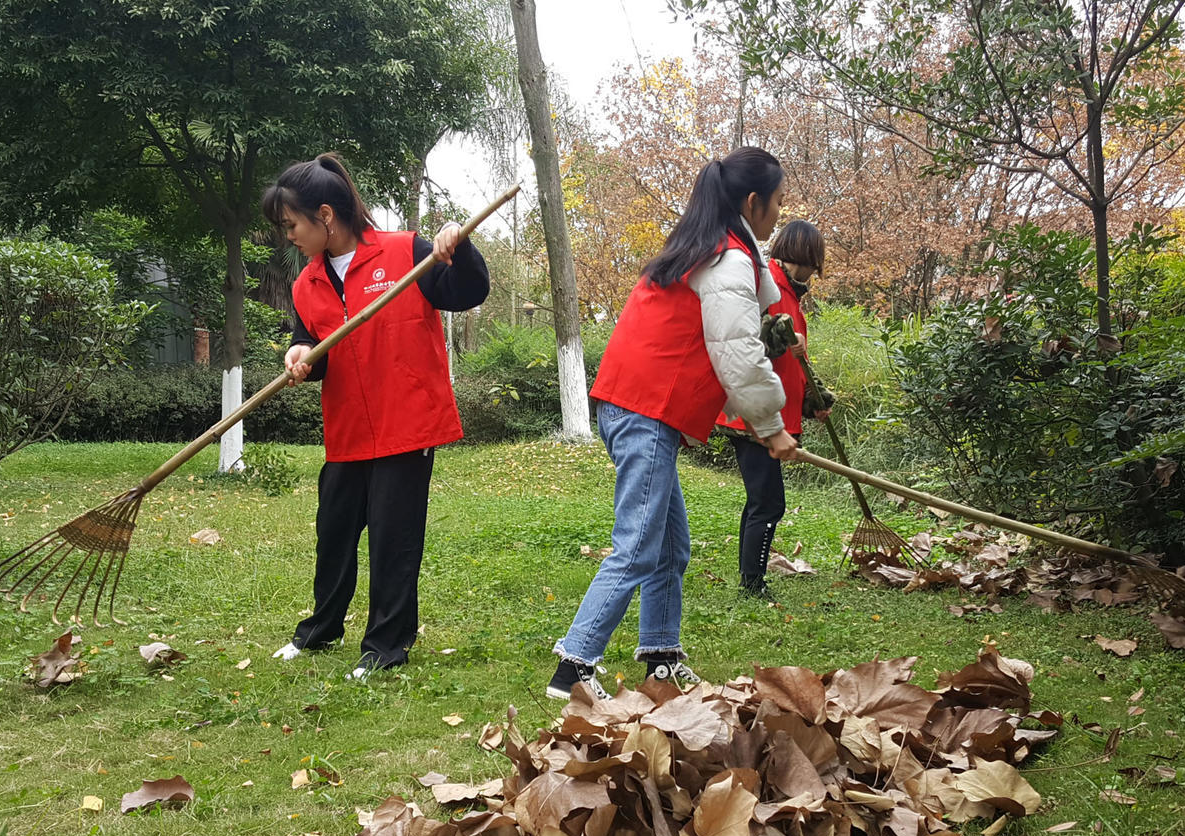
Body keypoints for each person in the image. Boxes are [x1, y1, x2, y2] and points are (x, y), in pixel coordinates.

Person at [548, 146, 797, 703]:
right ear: (753, 203)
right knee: (638, 544)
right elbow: (736, 353)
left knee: (669, 546)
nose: (780, 215)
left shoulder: (701, 249)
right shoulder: (726, 259)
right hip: (644, 413)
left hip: (631, 408)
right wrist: (770, 424)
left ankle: (660, 655)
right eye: (778, 203)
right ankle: (574, 666)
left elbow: (740, 332)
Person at [260, 153, 489, 680]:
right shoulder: (306, 284)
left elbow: (468, 291)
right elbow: (311, 345)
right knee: (334, 532)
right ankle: (320, 630)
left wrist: (461, 247)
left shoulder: (407, 253)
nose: (287, 236)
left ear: (324, 215)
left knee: (393, 537)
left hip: (406, 425)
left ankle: (386, 646)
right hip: (347, 431)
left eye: (290, 224)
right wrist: (299, 358)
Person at [716, 218, 831, 599]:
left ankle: (752, 578)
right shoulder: (769, 287)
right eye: (815, 262)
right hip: (753, 416)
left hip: (773, 413)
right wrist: (784, 336)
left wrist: (814, 401)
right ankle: (752, 585)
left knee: (763, 500)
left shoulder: (792, 295)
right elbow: (749, 345)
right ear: (803, 256)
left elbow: (794, 364)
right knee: (768, 502)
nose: (815, 271)